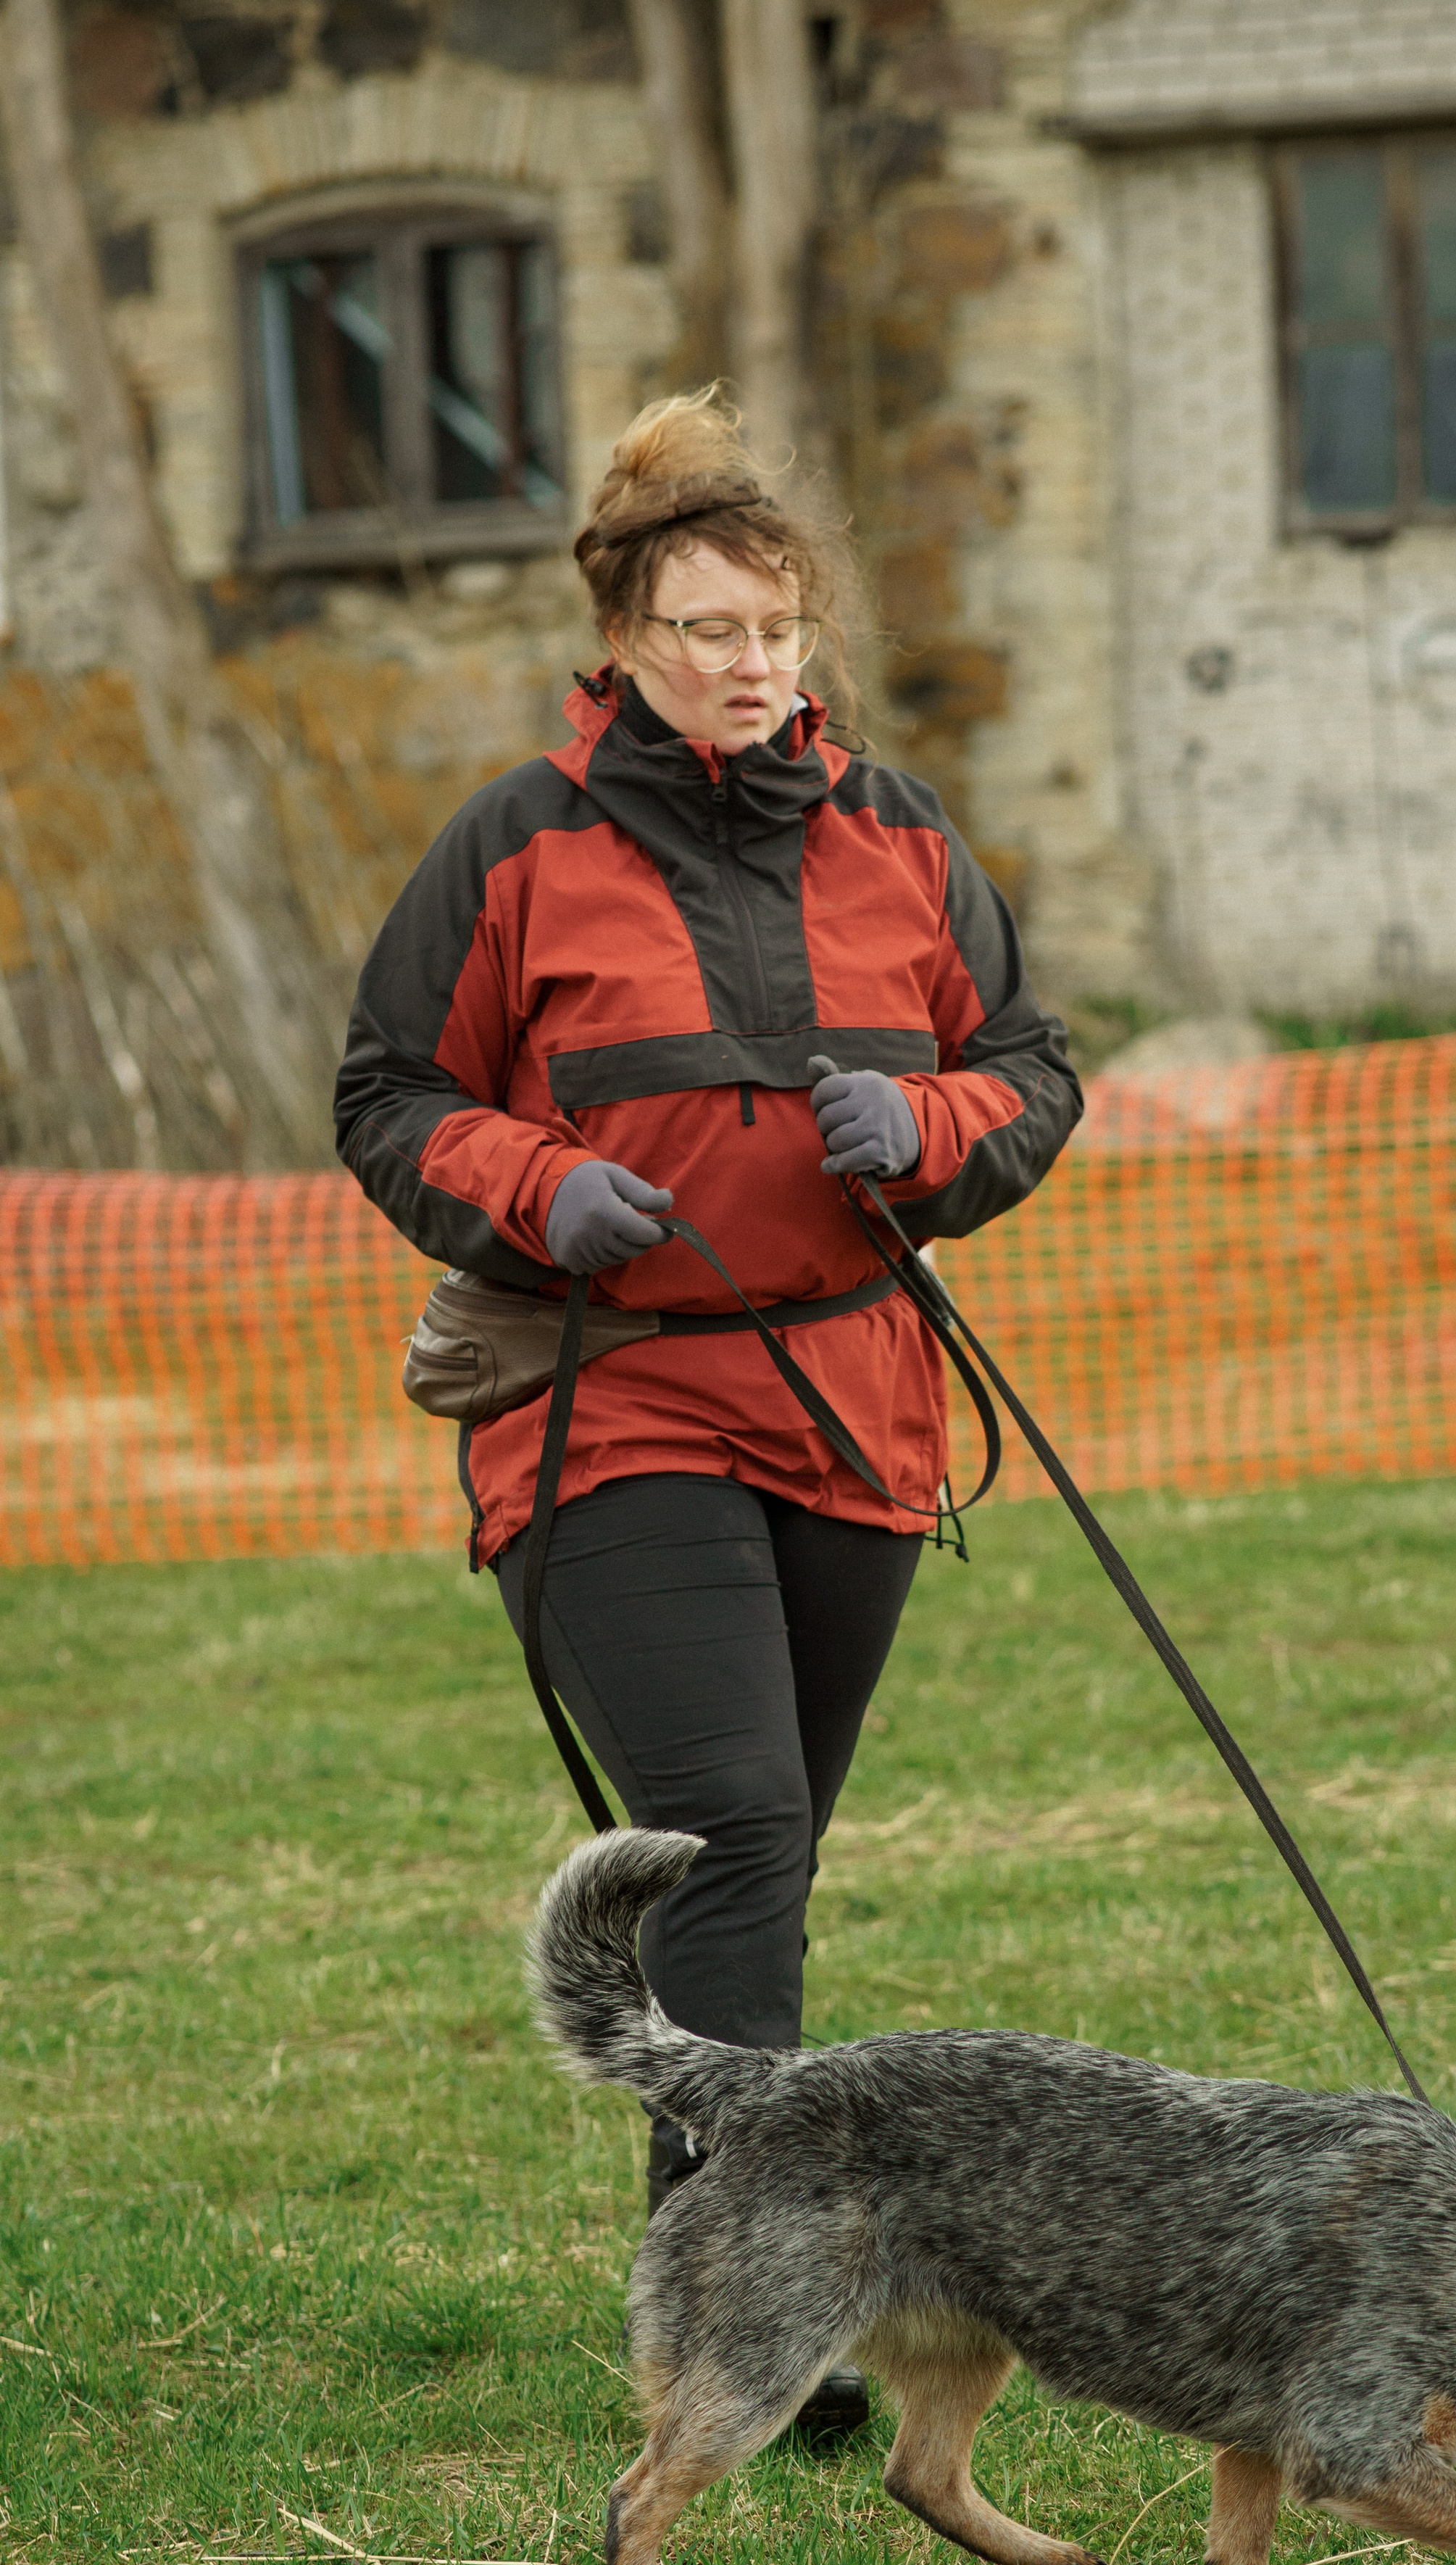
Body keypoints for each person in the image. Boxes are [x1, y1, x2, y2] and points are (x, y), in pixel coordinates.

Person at [333, 389, 1080, 2431]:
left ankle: (706, 2287)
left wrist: (922, 1125)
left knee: (754, 1871)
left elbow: (1032, 1074)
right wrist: (539, 1185)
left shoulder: (907, 834)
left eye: (774, 632)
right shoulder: (515, 846)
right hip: (612, 1399)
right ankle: (762, 2320)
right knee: (728, 1822)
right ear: (623, 638)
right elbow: (389, 1095)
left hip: (854, 1402)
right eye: (703, 633)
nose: (747, 668)